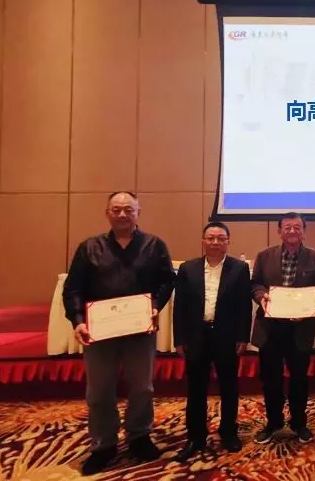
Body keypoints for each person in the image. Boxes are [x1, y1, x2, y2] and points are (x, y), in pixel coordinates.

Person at [62, 191, 176, 475]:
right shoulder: (89, 247)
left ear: (138, 212)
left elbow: (167, 281)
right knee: (99, 391)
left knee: (142, 388)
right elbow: (73, 288)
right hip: (100, 332)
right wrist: (78, 320)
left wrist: (155, 306)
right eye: (116, 209)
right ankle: (103, 444)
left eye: (128, 209)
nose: (123, 214)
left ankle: (139, 436)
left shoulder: (154, 245)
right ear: (107, 213)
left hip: (139, 330)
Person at [173, 222, 252, 462]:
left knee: (229, 386)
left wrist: (242, 336)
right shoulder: (188, 268)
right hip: (197, 336)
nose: (215, 242)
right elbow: (180, 307)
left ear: (228, 242)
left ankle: (228, 432)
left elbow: (244, 306)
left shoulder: (239, 269)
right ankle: (195, 436)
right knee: (196, 388)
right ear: (203, 241)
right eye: (210, 238)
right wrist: (179, 339)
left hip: (226, 336)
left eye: (220, 238)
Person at [251, 212, 315, 444]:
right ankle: (273, 422)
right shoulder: (264, 256)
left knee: (299, 378)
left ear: (304, 231)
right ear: (279, 231)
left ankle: (299, 423)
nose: (292, 231)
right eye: (287, 227)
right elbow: (255, 284)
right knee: (270, 379)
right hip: (270, 327)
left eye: (297, 227)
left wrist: (308, 309)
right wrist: (261, 297)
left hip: (300, 328)